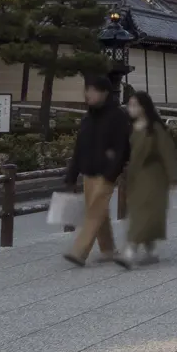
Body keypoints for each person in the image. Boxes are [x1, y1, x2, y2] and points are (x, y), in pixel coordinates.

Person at [63, 75, 132, 268]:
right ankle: (108, 250)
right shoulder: (87, 118)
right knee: (99, 213)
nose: (88, 94)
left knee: (93, 212)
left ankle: (79, 252)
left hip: (107, 174)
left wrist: (113, 172)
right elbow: (79, 148)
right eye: (87, 90)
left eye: (93, 90)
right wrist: (72, 174)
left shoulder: (118, 116)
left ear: (105, 93)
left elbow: (122, 148)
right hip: (88, 172)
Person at [121, 90, 177, 266]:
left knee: (142, 214)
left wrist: (173, 177)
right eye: (129, 105)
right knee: (141, 213)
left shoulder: (156, 129)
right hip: (136, 177)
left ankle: (130, 251)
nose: (131, 109)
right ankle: (150, 250)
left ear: (144, 107)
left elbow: (167, 153)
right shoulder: (131, 128)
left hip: (153, 177)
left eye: (135, 105)